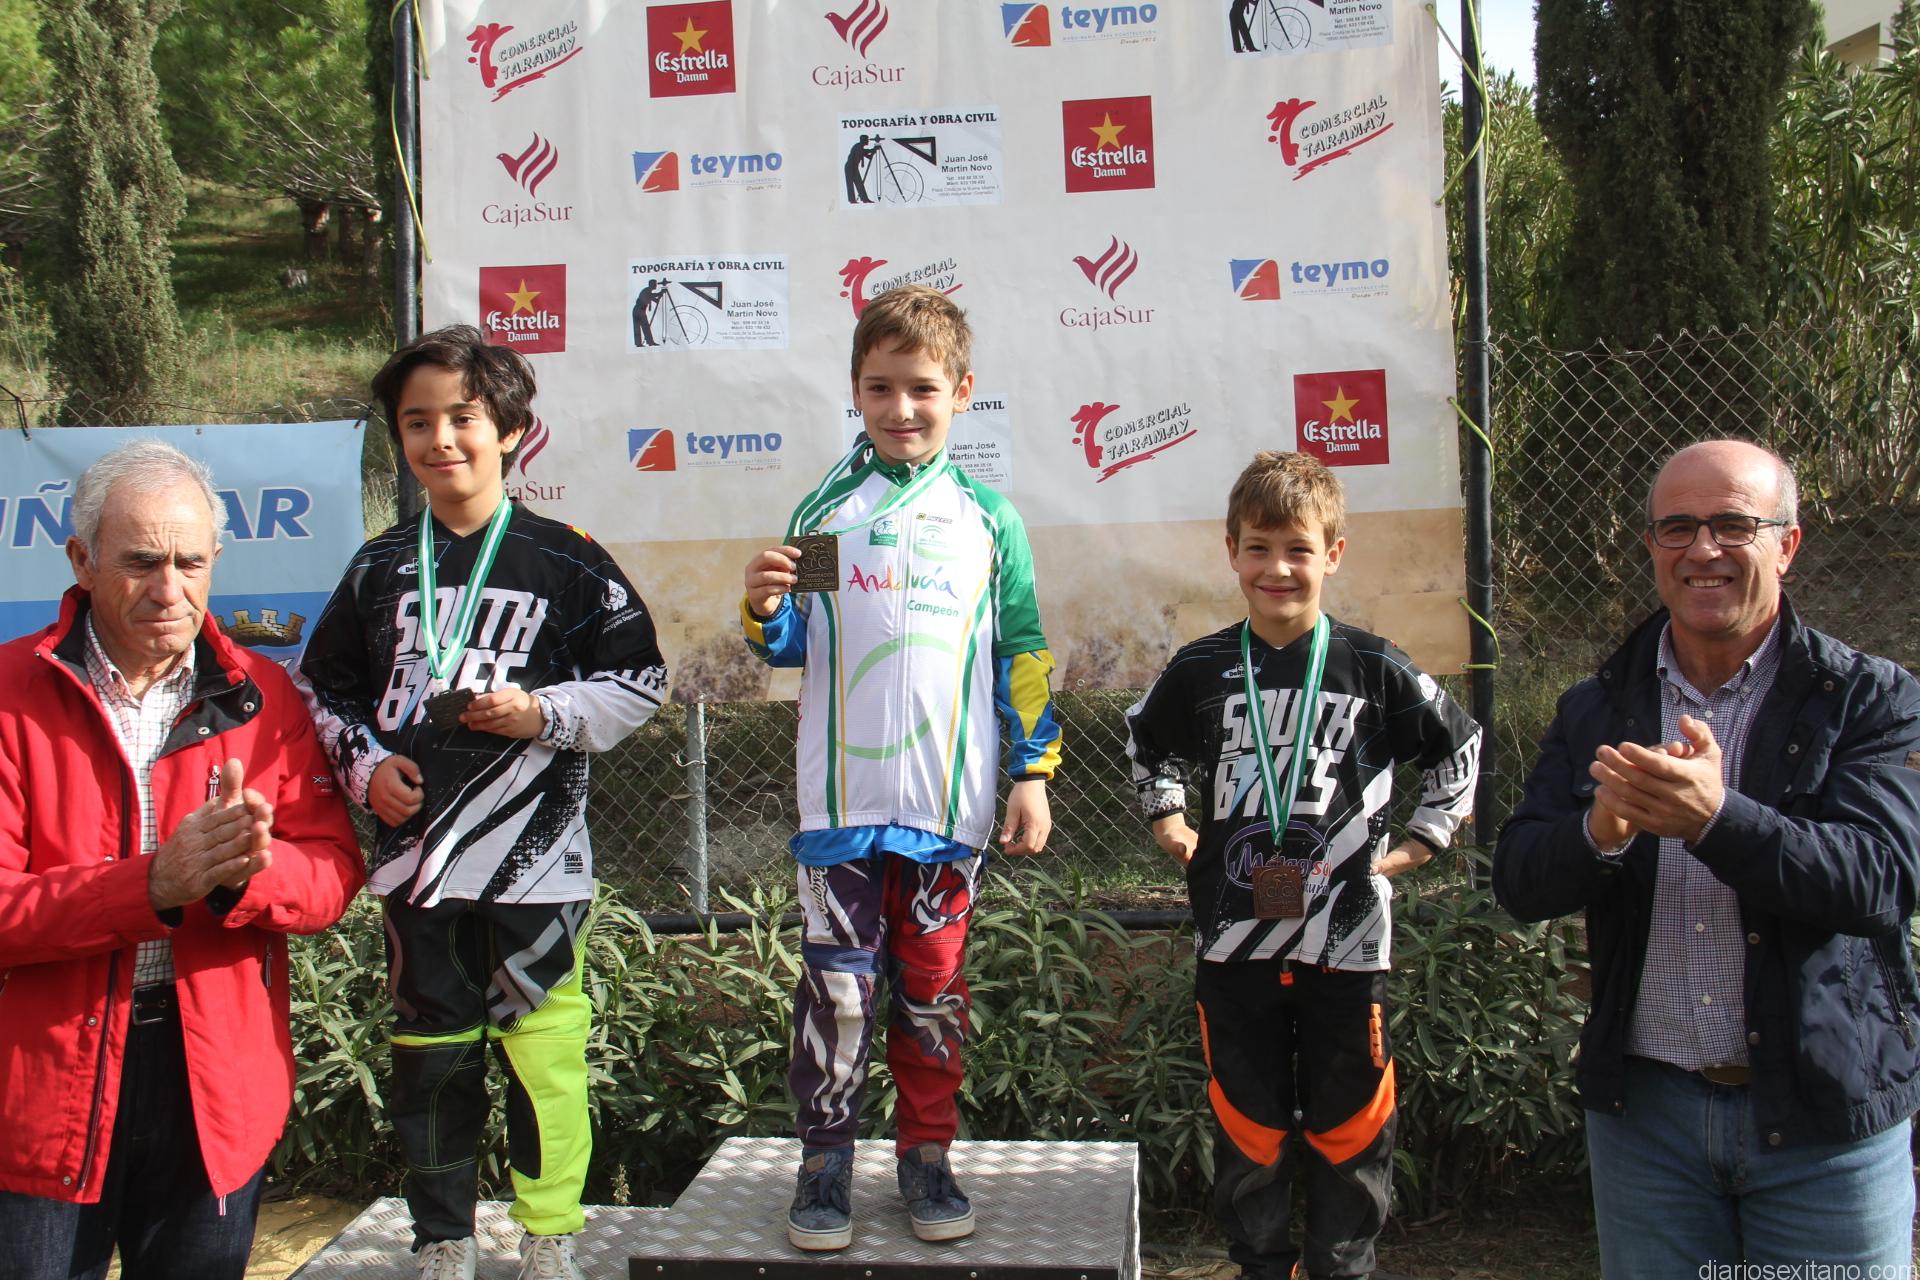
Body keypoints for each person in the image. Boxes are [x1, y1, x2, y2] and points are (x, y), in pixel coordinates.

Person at [1493, 439, 1920, 1277]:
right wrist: (1601, 830)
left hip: (1823, 1120)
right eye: (1678, 528)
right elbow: (1519, 879)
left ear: (1787, 545)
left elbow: (1879, 880)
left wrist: (1716, 820)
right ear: (1652, 546)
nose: (1703, 550)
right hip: (1649, 1128)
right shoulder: (1598, 707)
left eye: (1733, 525)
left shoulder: (1870, 698)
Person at [295, 326, 670, 1280]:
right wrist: (365, 768)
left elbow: (641, 682)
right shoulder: (378, 567)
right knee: (432, 1057)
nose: (441, 439)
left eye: (462, 417)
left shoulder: (567, 559)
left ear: (509, 430)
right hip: (416, 863)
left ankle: (550, 1234)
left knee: (546, 1053)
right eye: (417, 422)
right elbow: (320, 691)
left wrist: (545, 713)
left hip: (537, 865)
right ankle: (443, 1238)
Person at [741, 284, 1062, 1251]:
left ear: (962, 391)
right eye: (880, 388)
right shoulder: (826, 511)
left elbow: (1022, 652)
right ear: (855, 390)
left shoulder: (988, 519)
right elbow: (794, 642)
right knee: (838, 993)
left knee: (933, 995)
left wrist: (1032, 772)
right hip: (840, 803)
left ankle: (927, 1154)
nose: (901, 408)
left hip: (945, 808)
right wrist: (763, 609)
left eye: (922, 388)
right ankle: (824, 1160)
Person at [0, 440, 365, 1280]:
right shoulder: (9, 695)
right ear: (82, 560)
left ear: (216, 561)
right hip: (45, 1088)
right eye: (140, 562)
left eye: (190, 562)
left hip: (216, 1086)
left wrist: (251, 875)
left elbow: (332, 873)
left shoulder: (265, 696)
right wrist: (152, 885)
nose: (170, 589)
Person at [1125, 451, 1480, 1280]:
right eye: (1258, 548)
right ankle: (1261, 1267)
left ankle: (1342, 1269)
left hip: (1348, 940)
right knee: (1247, 1123)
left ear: (1334, 554)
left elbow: (1460, 745)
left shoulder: (1374, 664)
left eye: (1298, 549)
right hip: (1234, 938)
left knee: (1352, 1123)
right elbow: (1147, 739)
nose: (1277, 569)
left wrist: (1423, 840)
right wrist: (1168, 816)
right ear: (1231, 552)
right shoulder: (1202, 667)